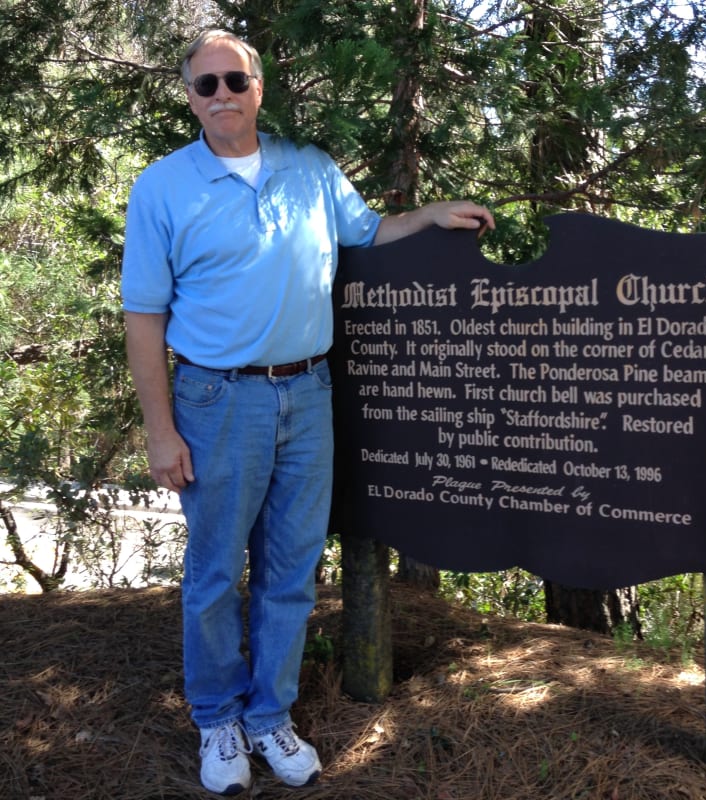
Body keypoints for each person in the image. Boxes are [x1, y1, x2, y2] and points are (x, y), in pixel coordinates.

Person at [121, 28, 494, 797]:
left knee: (292, 570)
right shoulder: (162, 187)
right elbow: (143, 317)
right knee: (218, 571)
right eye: (206, 85)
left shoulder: (312, 170)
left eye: (235, 81)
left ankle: (270, 717)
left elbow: (368, 232)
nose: (222, 96)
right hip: (216, 399)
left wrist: (431, 215)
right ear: (188, 96)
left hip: (308, 393)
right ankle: (218, 718)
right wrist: (160, 431)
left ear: (259, 88)